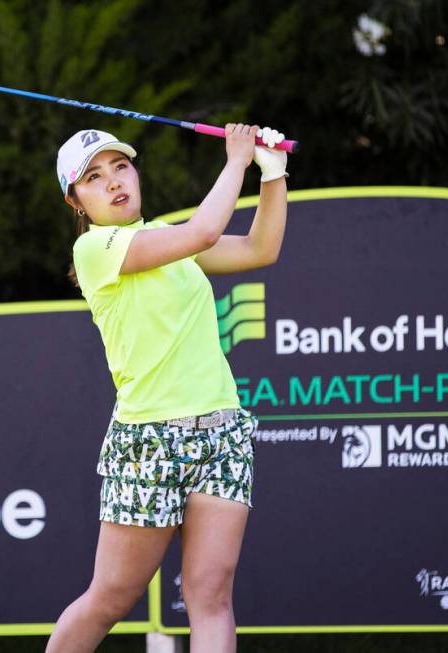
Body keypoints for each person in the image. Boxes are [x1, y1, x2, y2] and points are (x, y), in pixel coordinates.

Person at [45, 124, 288, 653]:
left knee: (212, 596)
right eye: (94, 176)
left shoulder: (162, 235)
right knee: (111, 597)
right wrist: (236, 161)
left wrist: (273, 174)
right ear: (76, 201)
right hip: (146, 442)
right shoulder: (96, 249)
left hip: (222, 433)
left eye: (121, 167)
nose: (113, 182)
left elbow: (259, 248)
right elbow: (201, 233)